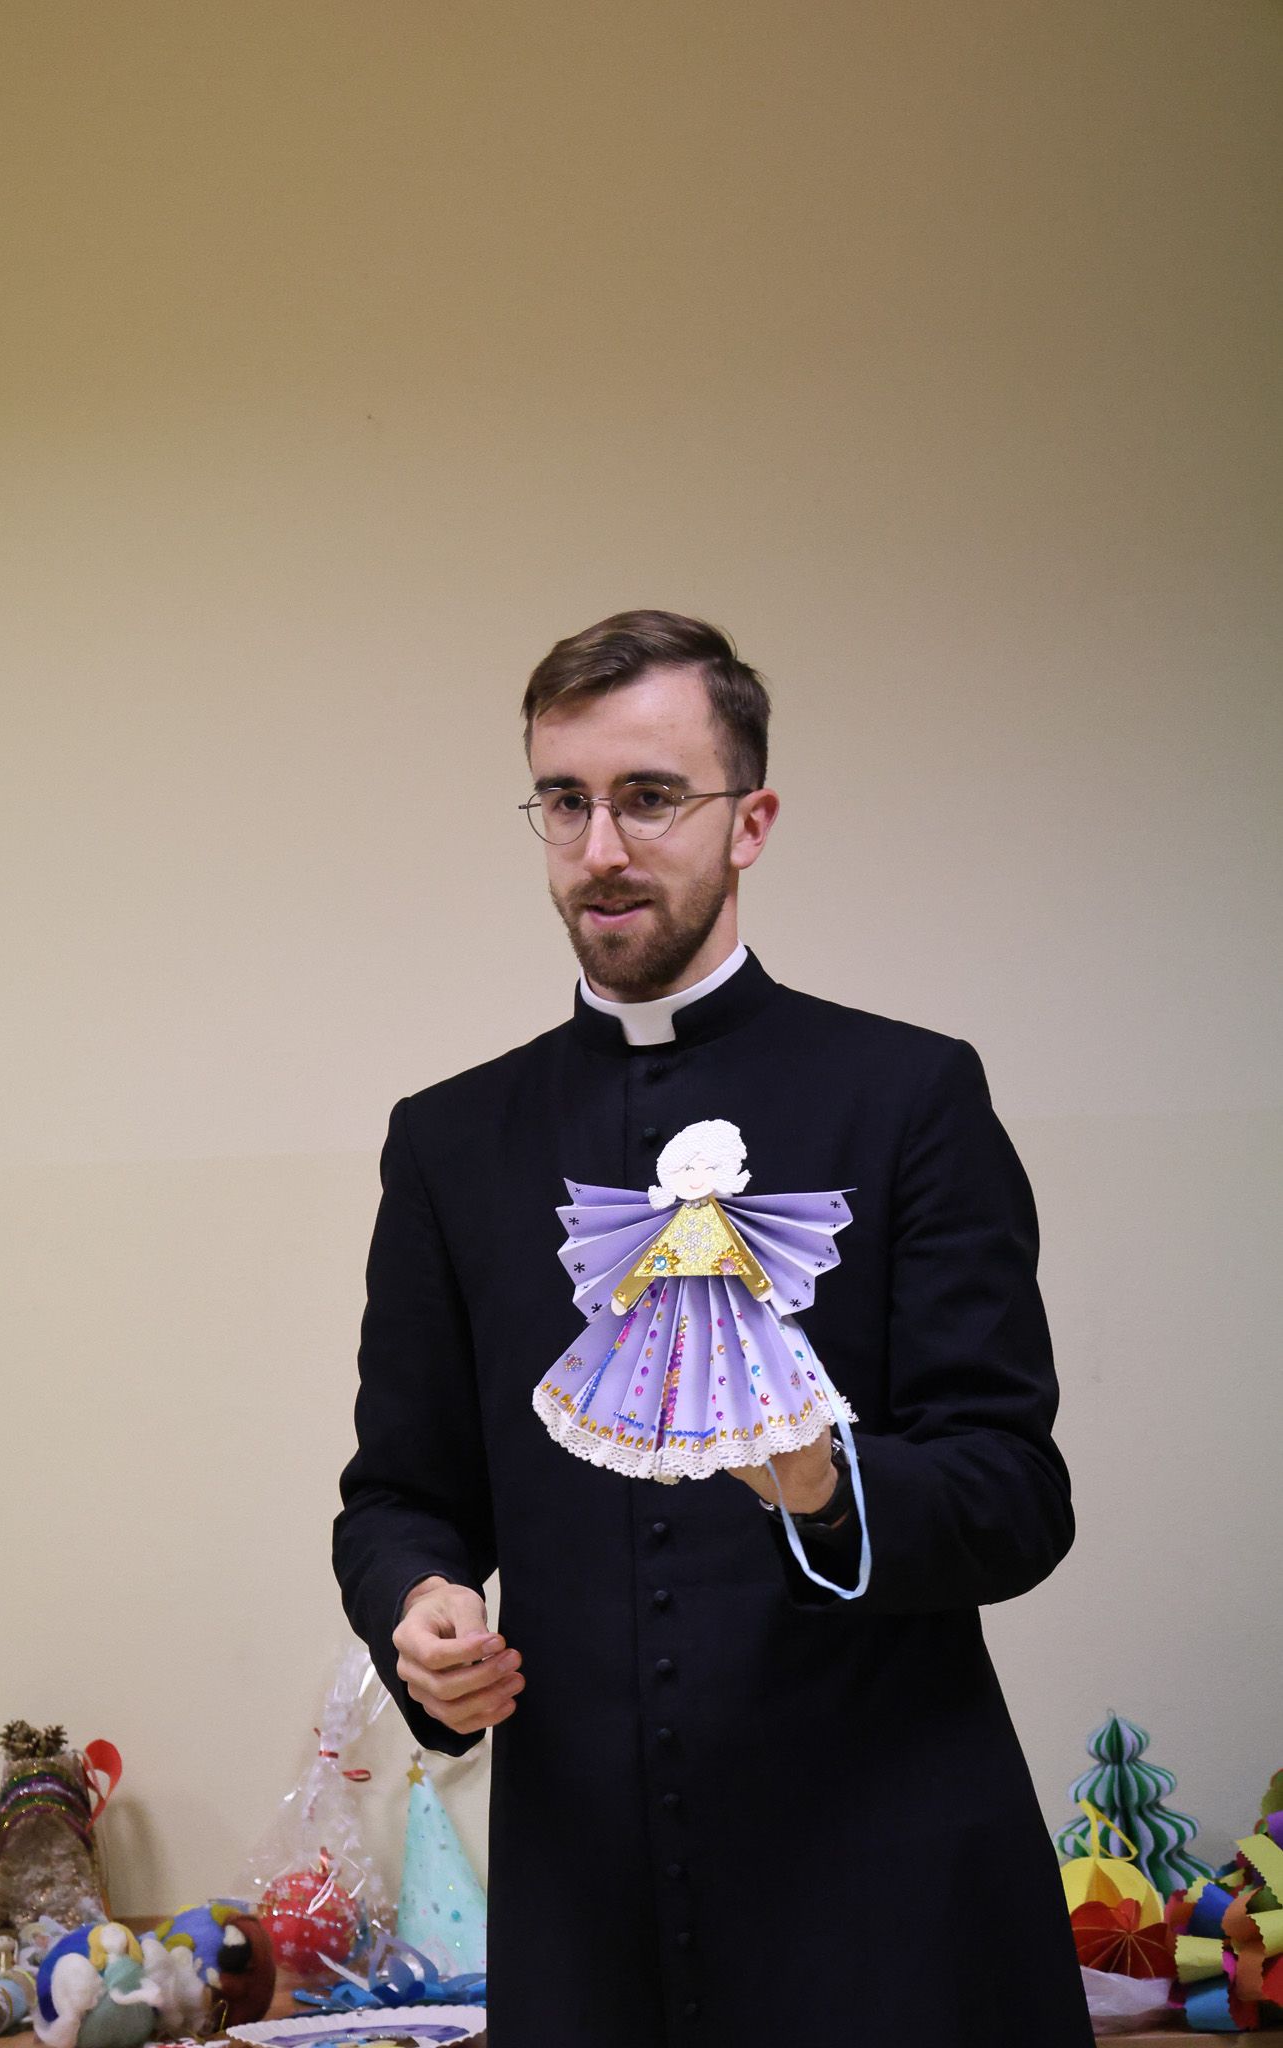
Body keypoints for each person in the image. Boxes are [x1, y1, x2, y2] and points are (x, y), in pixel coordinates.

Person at [333, 609, 1094, 2048]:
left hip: (888, 1905)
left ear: (751, 821)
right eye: (564, 802)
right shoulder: (449, 1142)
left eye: (648, 797)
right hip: (586, 1911)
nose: (600, 848)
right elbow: (398, 1494)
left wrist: (823, 1478)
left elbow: (1016, 1495)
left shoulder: (910, 1097)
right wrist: (416, 1608)